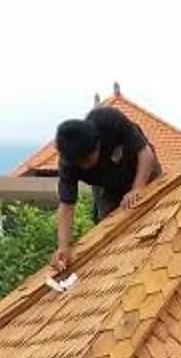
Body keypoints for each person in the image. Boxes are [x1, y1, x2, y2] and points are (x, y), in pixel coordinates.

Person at [48, 102, 162, 275]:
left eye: (88, 160)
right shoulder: (68, 165)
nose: (85, 166)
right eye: (81, 164)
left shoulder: (109, 120)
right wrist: (63, 246)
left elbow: (145, 153)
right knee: (109, 231)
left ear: (98, 143)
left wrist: (138, 188)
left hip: (141, 168)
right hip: (107, 186)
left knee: (158, 209)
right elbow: (66, 205)